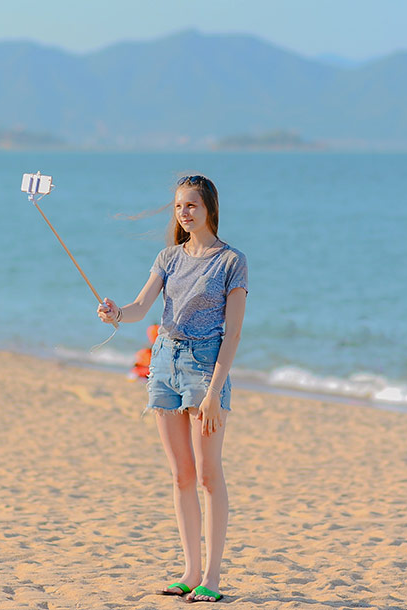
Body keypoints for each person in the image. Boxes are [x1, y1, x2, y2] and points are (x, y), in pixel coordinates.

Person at [97, 174, 248, 603]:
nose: (184, 213)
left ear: (209, 209)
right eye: (180, 206)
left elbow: (233, 334)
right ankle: (190, 571)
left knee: (208, 474)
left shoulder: (231, 261)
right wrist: (114, 314)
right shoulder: (168, 257)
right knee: (181, 475)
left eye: (192, 206)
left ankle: (212, 578)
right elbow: (140, 307)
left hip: (206, 368)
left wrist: (216, 391)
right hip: (163, 363)